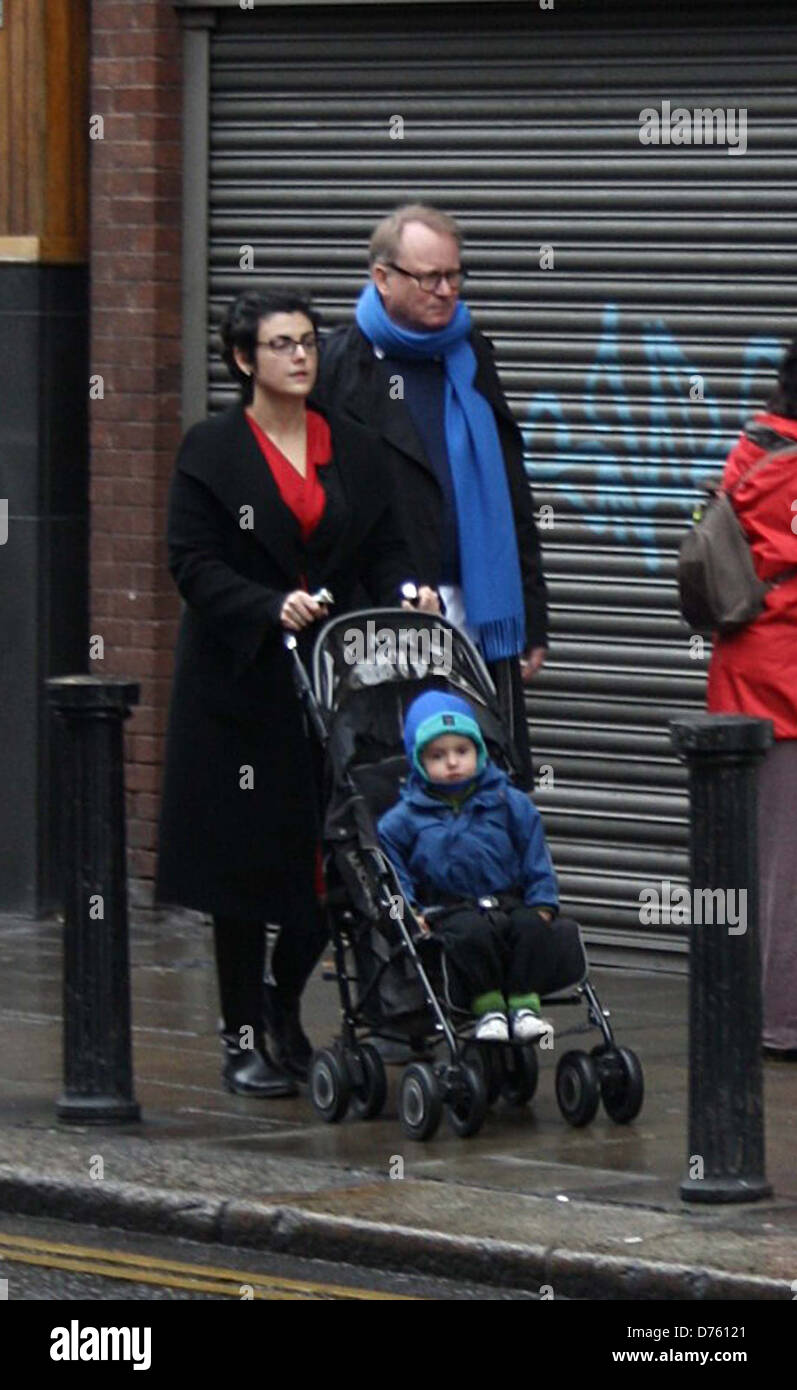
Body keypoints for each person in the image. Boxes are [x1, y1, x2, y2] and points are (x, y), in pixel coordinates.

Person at [156, 287, 436, 1097]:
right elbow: (192, 563)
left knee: (335, 863)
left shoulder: (348, 444)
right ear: (244, 359)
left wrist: (405, 591)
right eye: (280, 344)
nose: (301, 357)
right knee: (242, 874)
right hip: (240, 688)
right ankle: (242, 1037)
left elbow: (381, 547)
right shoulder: (211, 450)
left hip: (333, 687)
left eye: (308, 342)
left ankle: (282, 1009)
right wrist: (266, 604)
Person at [312, 203, 549, 788]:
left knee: (485, 778)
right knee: (394, 781)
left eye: (454, 275)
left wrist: (532, 616)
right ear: (382, 277)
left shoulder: (470, 355)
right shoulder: (341, 365)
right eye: (429, 277)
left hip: (479, 610)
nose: (446, 291)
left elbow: (512, 493)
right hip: (386, 612)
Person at [377, 691, 566, 1041]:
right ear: (418, 762)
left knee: (531, 928)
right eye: (438, 755)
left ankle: (524, 1004)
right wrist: (410, 911)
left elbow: (534, 851)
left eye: (461, 752)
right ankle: (489, 1006)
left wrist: (542, 900)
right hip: (449, 907)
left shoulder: (508, 801)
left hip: (505, 898)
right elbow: (394, 871)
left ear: (478, 751)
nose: (452, 763)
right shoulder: (403, 819)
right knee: (471, 936)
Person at [706, 340, 797, 1060]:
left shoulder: (753, 446)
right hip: (784, 687)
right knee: (785, 866)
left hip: (745, 677)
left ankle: (757, 1008)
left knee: (761, 859)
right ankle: (781, 1021)